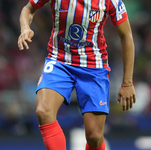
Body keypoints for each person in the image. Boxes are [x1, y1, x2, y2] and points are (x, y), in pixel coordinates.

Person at [18, 0, 136, 149]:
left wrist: (127, 82)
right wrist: (25, 28)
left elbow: (126, 36)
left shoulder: (110, 1)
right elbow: (28, 9)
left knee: (94, 136)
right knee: (43, 111)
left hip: (93, 67)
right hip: (59, 61)